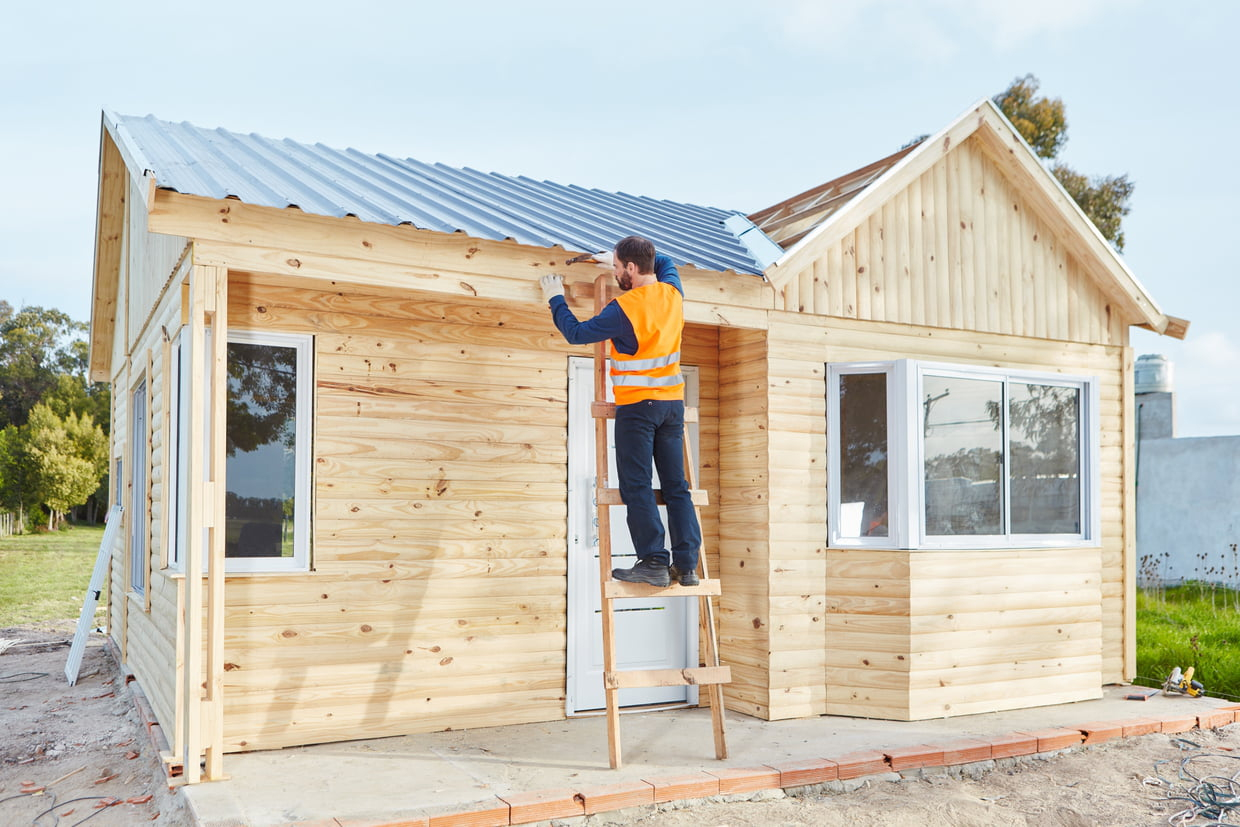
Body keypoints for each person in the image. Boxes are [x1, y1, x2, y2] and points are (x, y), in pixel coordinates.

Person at [539, 236, 701, 588]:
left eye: (616, 267)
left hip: (638, 410)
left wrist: (556, 299)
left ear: (630, 268)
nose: (614, 273)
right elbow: (665, 259)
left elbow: (576, 332)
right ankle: (687, 567)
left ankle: (655, 562)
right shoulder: (672, 293)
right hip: (672, 407)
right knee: (677, 488)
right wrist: (611, 257)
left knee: (636, 484)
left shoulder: (624, 308)